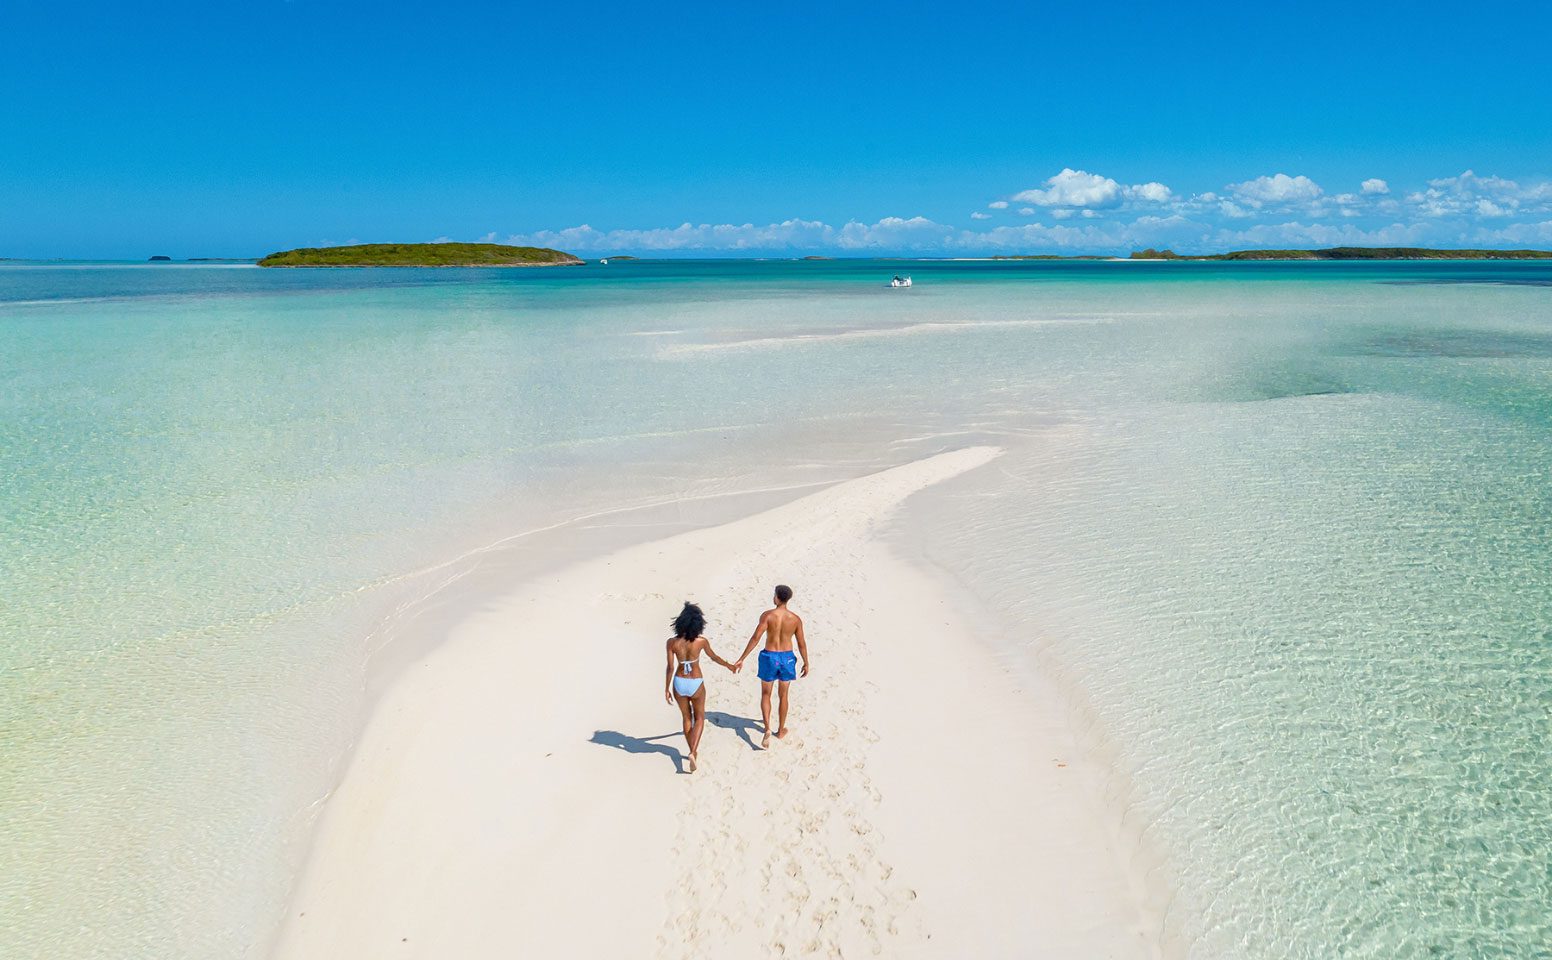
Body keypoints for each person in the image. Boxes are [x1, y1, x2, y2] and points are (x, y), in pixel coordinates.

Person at [733, 584, 808, 749]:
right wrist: (806, 662)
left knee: (766, 694)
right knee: (784, 695)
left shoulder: (767, 616)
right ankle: (781, 730)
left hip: (769, 656)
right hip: (787, 658)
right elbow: (801, 643)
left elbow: (755, 638)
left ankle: (767, 728)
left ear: (777, 597)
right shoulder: (795, 619)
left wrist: (742, 658)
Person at [664, 601, 735, 773]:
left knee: (686, 719)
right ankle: (692, 751)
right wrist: (729, 666)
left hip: (679, 681)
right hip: (696, 682)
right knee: (700, 718)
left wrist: (666, 688)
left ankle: (693, 752)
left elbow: (670, 667)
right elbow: (714, 657)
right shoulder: (701, 642)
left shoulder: (672, 643)